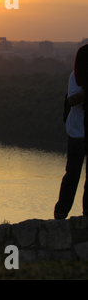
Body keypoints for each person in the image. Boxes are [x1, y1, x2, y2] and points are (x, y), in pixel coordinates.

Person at [55, 44, 88, 219]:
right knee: (73, 173)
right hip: (77, 131)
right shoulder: (75, 77)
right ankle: (61, 213)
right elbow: (73, 100)